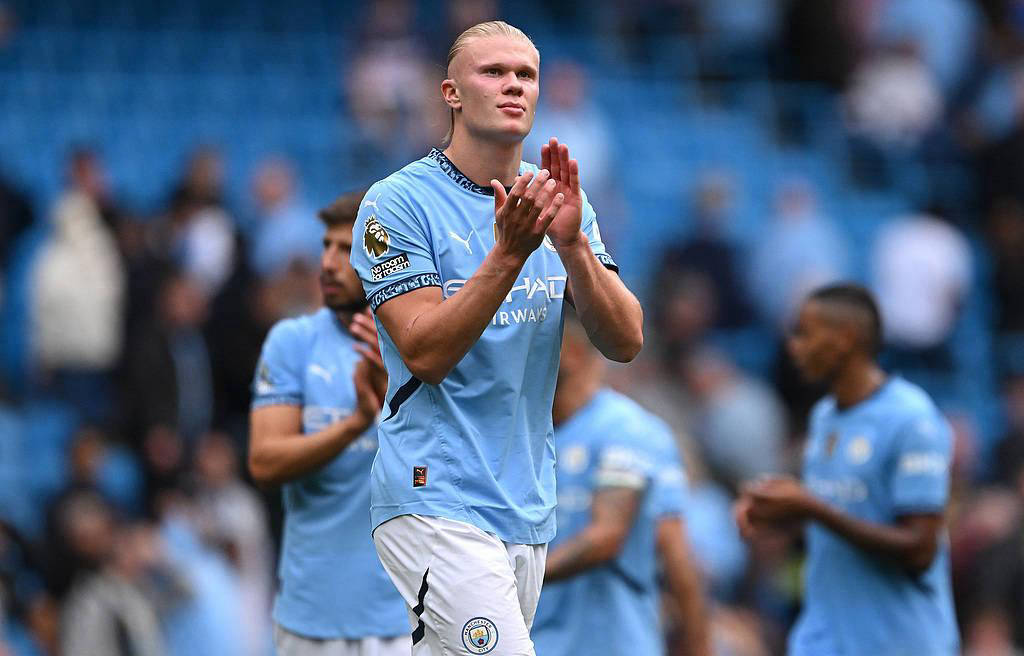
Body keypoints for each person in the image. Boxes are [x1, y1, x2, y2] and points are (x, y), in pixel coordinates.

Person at [349, 20, 643, 656]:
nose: (514, 85)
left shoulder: (558, 200)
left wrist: (574, 247)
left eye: (526, 75)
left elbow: (625, 341)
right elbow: (424, 353)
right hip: (434, 497)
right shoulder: (396, 204)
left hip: (526, 502)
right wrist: (509, 255)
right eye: (494, 72)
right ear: (451, 93)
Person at [734, 283, 959, 655]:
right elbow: (843, 516)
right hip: (827, 639)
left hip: (898, 643)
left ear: (845, 338)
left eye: (804, 333)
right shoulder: (825, 416)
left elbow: (920, 549)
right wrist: (776, 513)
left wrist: (811, 508)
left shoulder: (912, 420)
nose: (794, 346)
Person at [248, 191, 409, 655]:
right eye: (326, 247)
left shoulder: (422, 346)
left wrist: (394, 395)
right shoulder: (292, 342)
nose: (328, 264)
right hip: (312, 618)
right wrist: (355, 424)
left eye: (347, 250)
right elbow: (264, 462)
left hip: (405, 615)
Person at [532, 315, 709, 656]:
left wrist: (509, 578)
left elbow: (629, 543)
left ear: (571, 351)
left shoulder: (627, 430)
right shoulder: (521, 436)